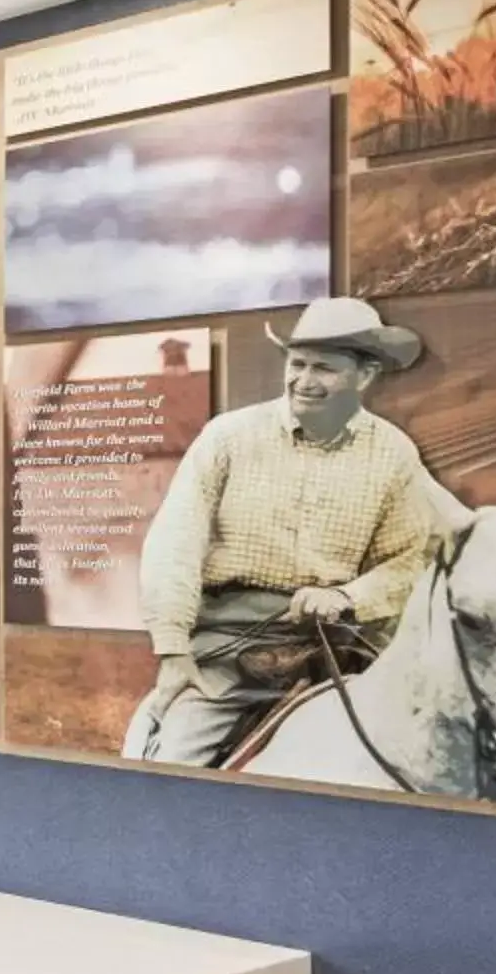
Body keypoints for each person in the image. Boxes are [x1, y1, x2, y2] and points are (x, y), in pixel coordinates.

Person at [129, 297, 436, 768]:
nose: (303, 381)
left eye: (324, 369)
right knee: (171, 766)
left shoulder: (394, 454)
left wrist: (349, 596)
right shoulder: (228, 437)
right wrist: (172, 649)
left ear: (366, 376)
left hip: (341, 647)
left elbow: (408, 559)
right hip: (230, 651)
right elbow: (176, 543)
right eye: (297, 364)